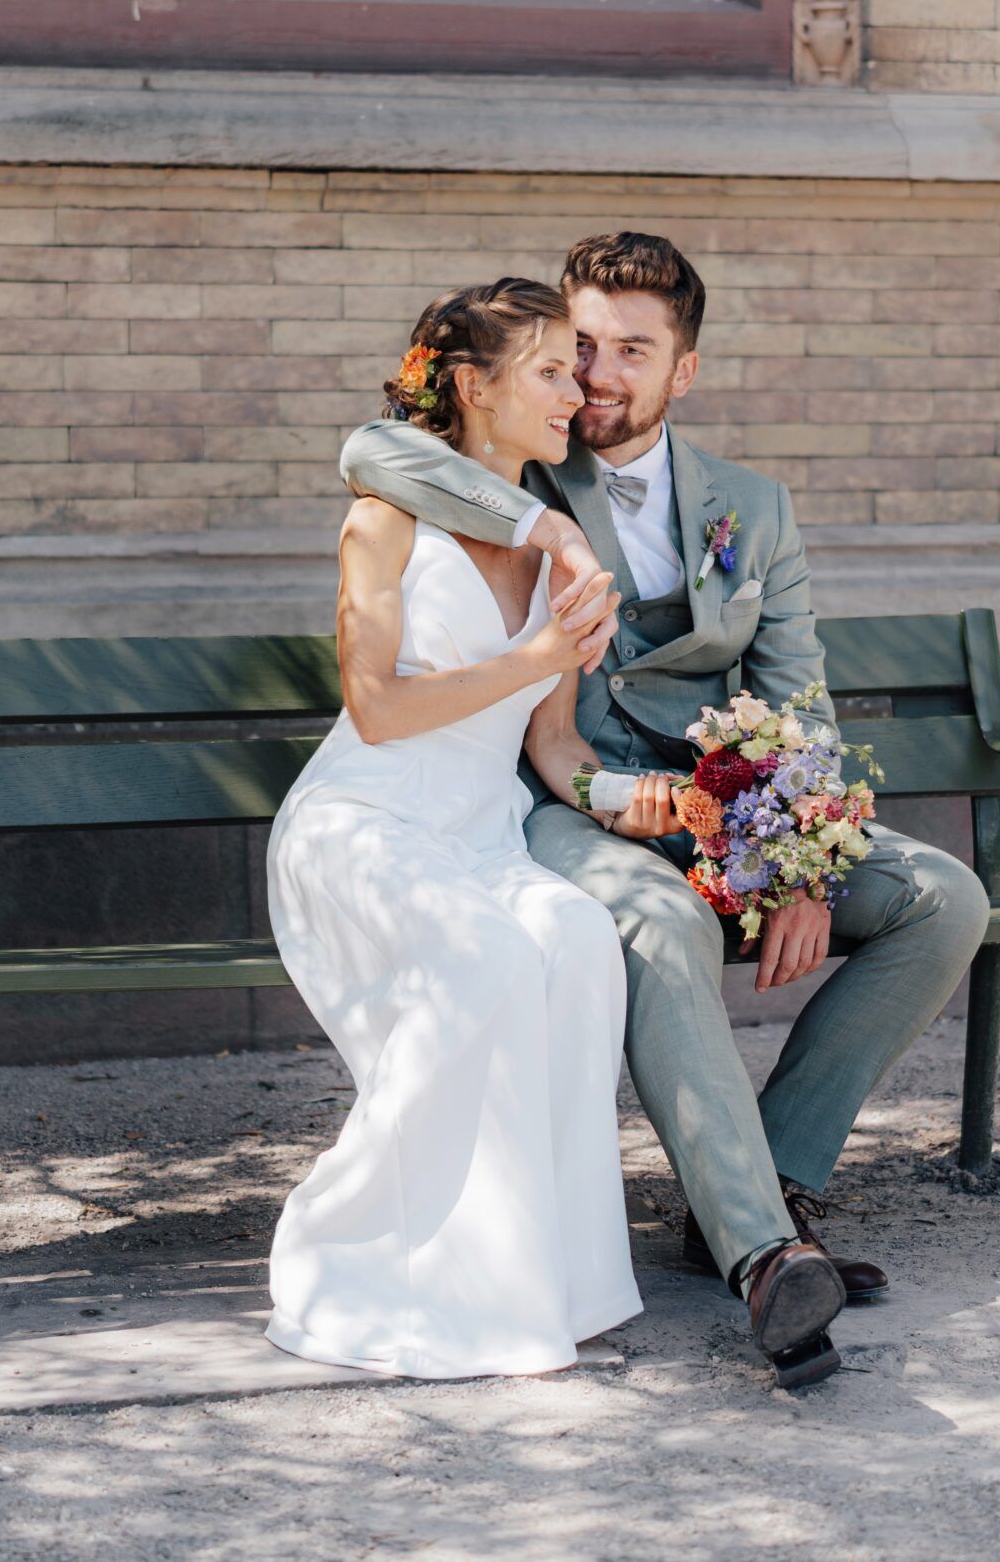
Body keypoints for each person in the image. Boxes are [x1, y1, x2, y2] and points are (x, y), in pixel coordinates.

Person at [337, 233, 991, 1389]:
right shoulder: (522, 465)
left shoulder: (754, 507)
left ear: (682, 371)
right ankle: (764, 1256)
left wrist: (795, 867)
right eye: (580, 345)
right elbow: (370, 447)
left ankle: (763, 1180)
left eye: (631, 352)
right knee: (662, 921)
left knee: (942, 898)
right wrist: (547, 526)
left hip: (729, 812)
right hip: (568, 801)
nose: (594, 374)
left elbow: (798, 702)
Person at [265, 277, 651, 1379]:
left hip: (479, 836)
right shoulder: (385, 517)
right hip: (363, 824)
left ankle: (545, 1282)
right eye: (550, 370)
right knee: (486, 960)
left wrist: (646, 803)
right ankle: (355, 1254)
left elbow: (555, 747)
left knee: (578, 941)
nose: (577, 392)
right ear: (473, 387)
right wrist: (535, 656)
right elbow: (377, 710)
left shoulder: (557, 551)